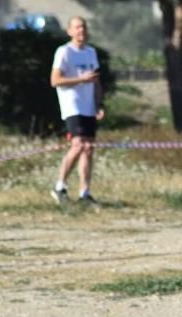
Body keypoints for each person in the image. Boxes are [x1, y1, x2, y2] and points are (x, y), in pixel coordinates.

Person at [50, 16, 105, 205]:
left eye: (83, 27)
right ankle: (60, 186)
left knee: (88, 149)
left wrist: (99, 105)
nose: (81, 31)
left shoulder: (91, 52)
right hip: (72, 105)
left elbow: (96, 82)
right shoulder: (64, 52)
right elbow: (55, 81)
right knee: (78, 145)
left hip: (88, 106)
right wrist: (80, 80)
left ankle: (84, 193)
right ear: (70, 31)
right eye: (77, 28)